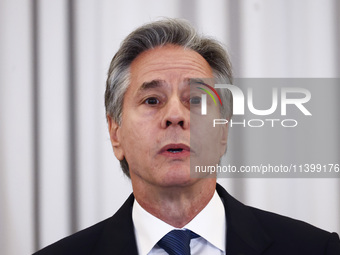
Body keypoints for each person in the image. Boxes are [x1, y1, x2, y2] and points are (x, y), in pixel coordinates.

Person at [34, 18, 340, 255]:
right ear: (116, 133)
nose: (176, 116)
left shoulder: (316, 249)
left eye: (195, 100)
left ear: (223, 130)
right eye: (152, 100)